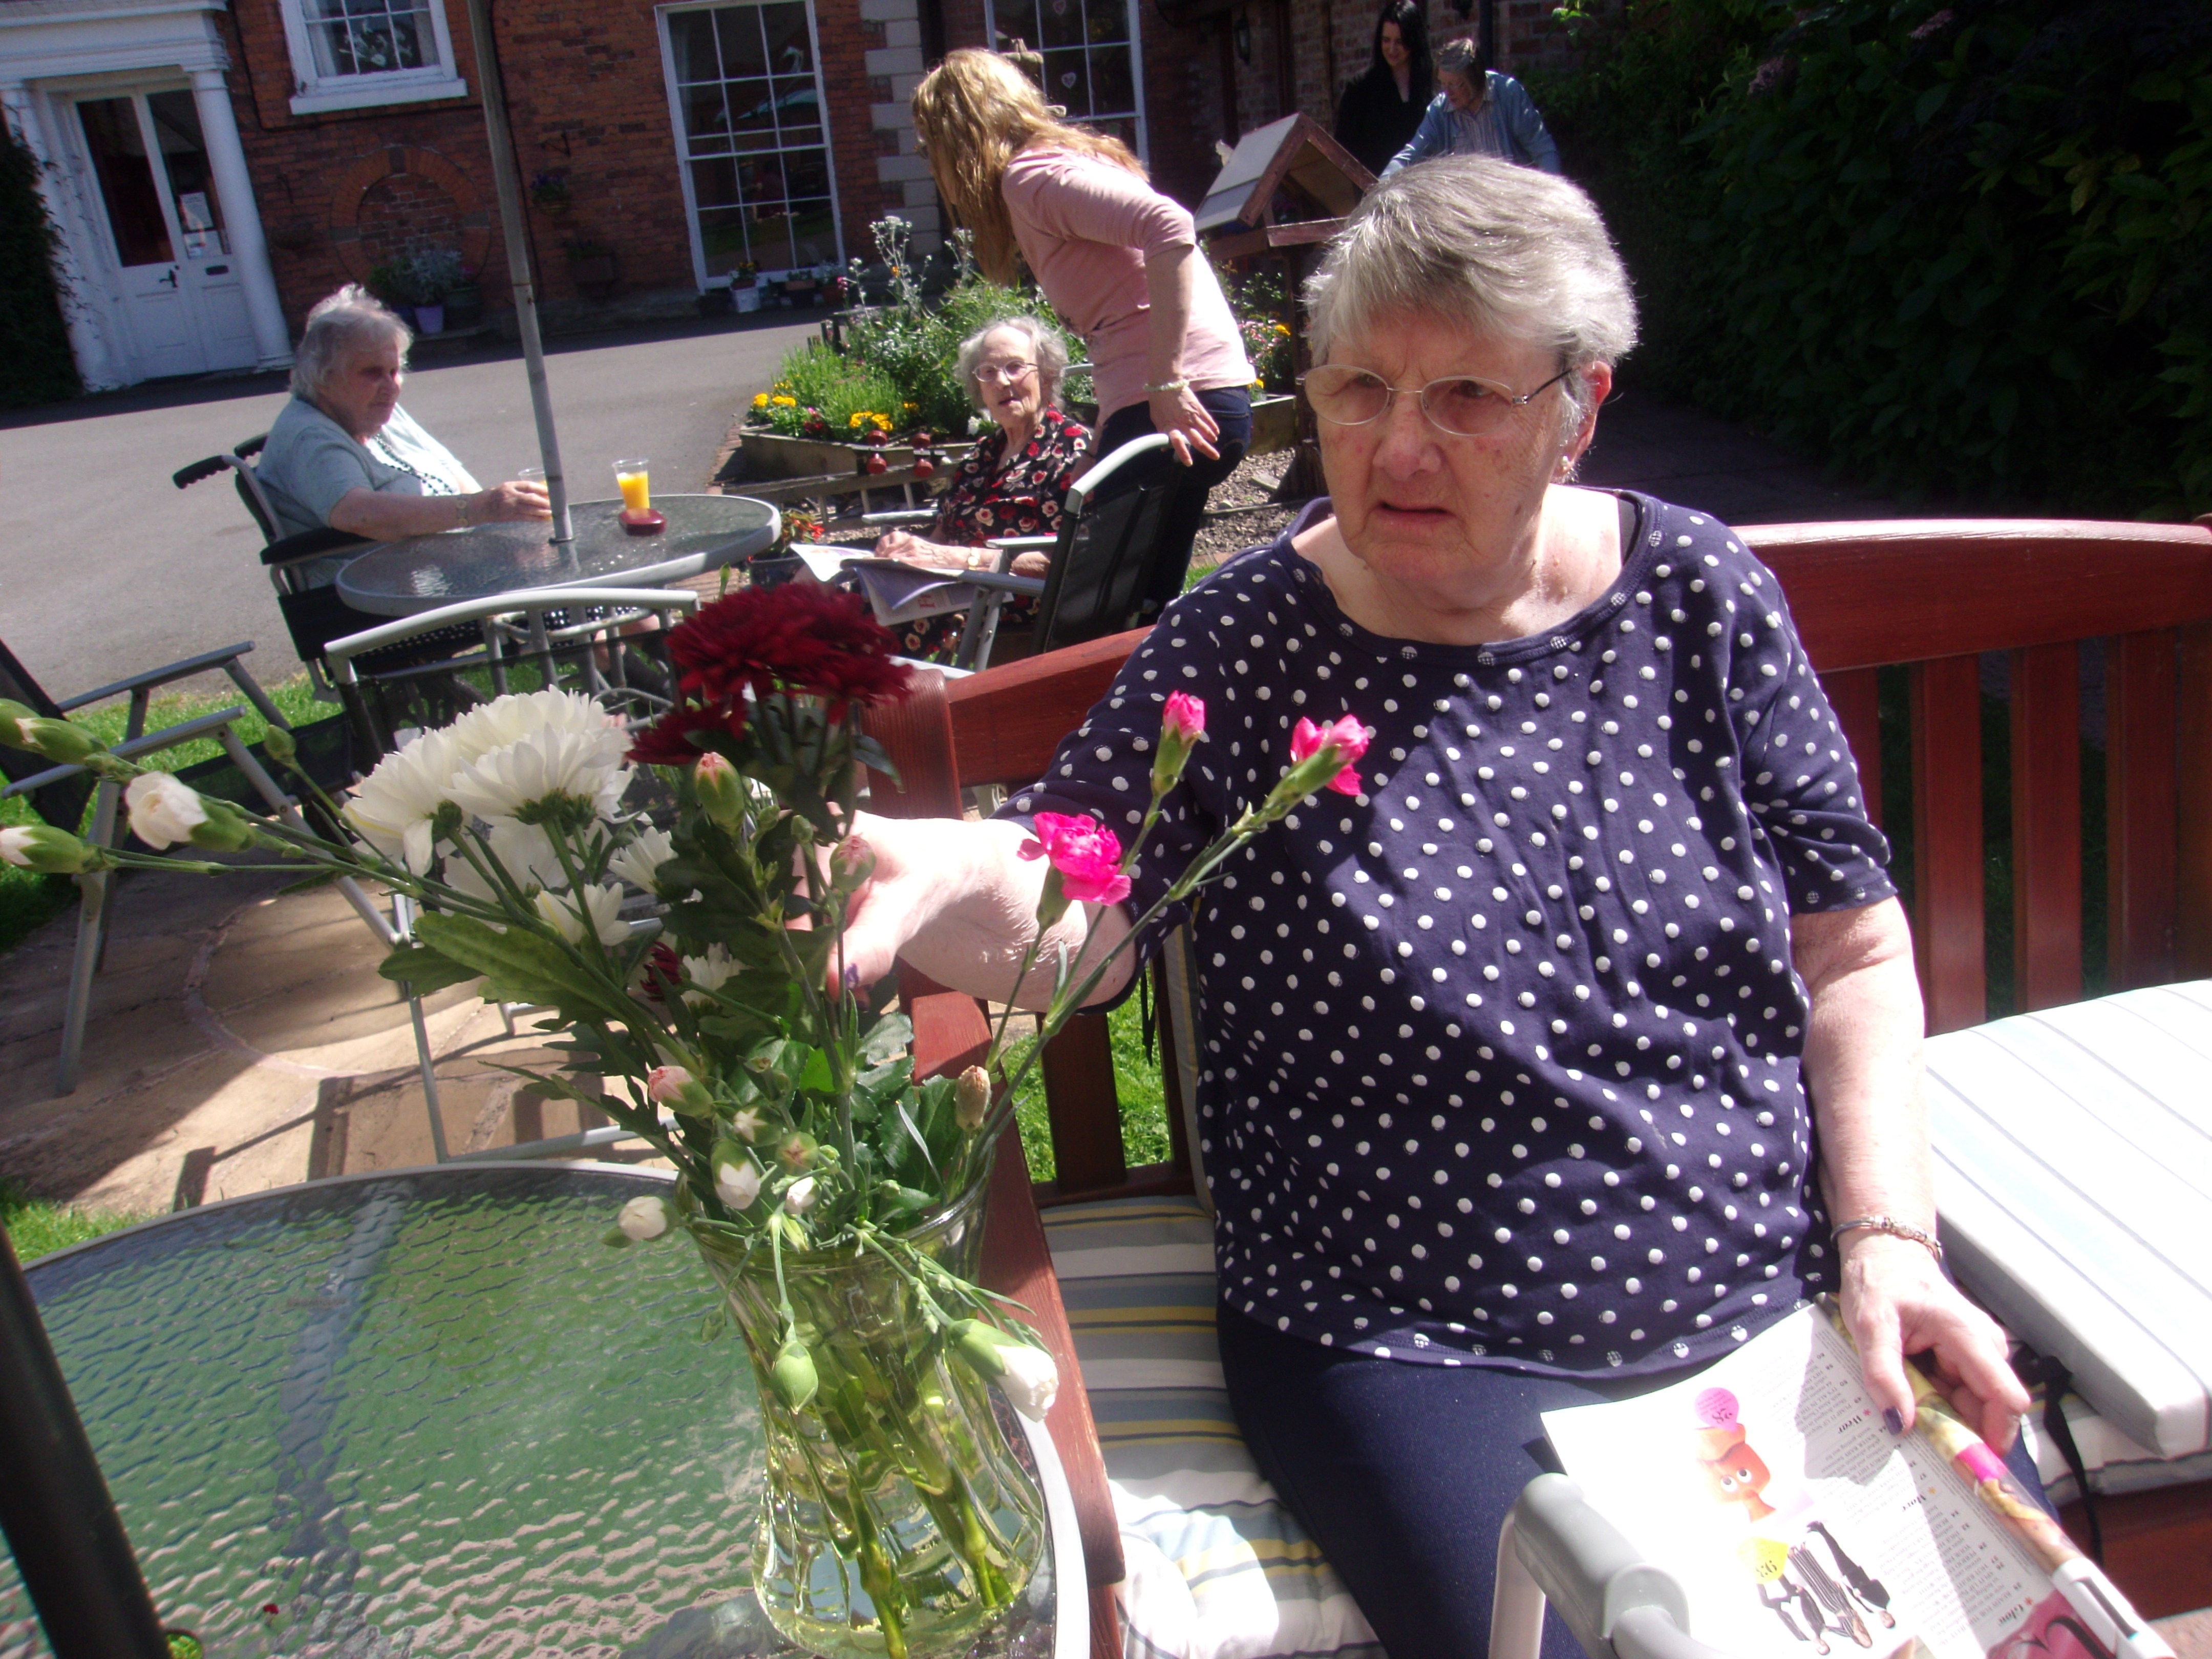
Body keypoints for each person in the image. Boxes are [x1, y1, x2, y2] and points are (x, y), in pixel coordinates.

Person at [833, 158, 2038, 1657]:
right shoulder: (1248, 643)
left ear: (1579, 408)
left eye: (1466, 395)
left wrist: (1889, 1240)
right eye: (1358, 388)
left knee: (2004, 1615)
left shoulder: (1698, 594)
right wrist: (961, 872)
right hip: (1415, 1333)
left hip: (1765, 1284)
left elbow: (1850, 946)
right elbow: (1090, 908)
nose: (1398, 445)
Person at [910, 49, 1252, 620]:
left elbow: (1169, 225)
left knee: (1090, 608)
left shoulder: (1032, 179)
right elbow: (1122, 316)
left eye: (931, 148)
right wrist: (1098, 445)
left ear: (961, 136)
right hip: (1182, 403)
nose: (934, 167)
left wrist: (1168, 383)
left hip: (1178, 405)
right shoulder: (1056, 169)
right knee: (1146, 608)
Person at [863, 316, 1091, 661]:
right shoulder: (984, 452)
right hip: (951, 591)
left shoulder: (1075, 451)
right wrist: (909, 550)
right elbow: (943, 532)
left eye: (1015, 367)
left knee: (861, 629)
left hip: (1007, 600)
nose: (1002, 381)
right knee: (837, 594)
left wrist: (964, 560)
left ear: (1045, 375)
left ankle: (859, 694)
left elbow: (1076, 558)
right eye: (988, 372)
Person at [256, 285, 549, 545]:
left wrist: (500, 529)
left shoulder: (375, 411)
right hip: (380, 582)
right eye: (372, 373)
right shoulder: (309, 436)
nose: (391, 386)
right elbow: (359, 514)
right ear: (324, 377)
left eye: (394, 371)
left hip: (453, 559)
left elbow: (453, 473)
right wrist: (481, 509)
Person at [1382, 36, 1561, 178]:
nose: (1448, 93)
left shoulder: (1508, 95)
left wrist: (1551, 197)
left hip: (1512, 200)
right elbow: (1410, 156)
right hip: (1467, 208)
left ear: (1475, 79)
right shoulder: (1440, 111)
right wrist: (1381, 185)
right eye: (1443, 84)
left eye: (1456, 85)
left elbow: (1544, 151)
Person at [1334, 0, 1434, 180]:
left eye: (1400, 41)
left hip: (1419, 187)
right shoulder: (1361, 89)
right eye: (1386, 40)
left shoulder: (1427, 86)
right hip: (1374, 187)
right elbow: (1343, 151)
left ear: (1414, 40)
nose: (1392, 49)